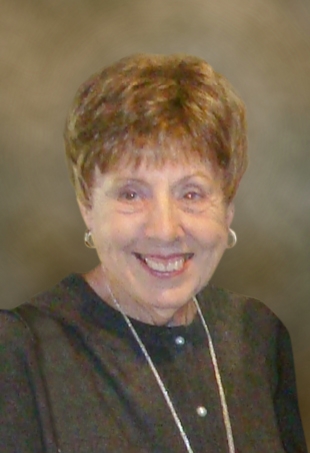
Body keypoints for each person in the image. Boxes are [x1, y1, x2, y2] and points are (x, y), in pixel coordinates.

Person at [0, 53, 307, 453]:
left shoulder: (259, 338)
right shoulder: (21, 353)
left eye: (191, 193)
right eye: (131, 193)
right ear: (86, 205)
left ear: (228, 208)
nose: (165, 229)